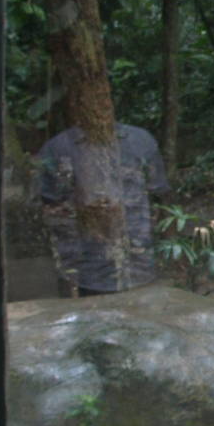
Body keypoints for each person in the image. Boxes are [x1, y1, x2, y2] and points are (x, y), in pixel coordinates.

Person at [35, 122, 169, 296]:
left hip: (136, 255)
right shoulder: (59, 146)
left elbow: (158, 194)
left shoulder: (140, 140)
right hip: (85, 259)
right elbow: (49, 201)